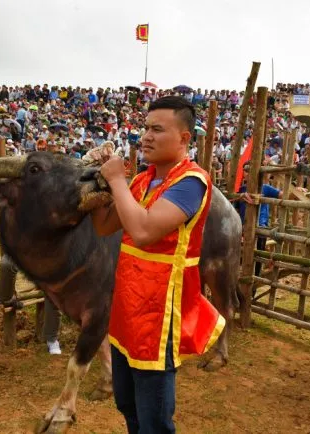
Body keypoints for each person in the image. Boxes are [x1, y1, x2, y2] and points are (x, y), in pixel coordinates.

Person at [91, 96, 225, 433]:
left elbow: (143, 230)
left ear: (184, 138)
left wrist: (117, 180)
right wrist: (102, 181)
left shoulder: (190, 183)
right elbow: (104, 226)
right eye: (145, 128)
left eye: (157, 129)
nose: (146, 136)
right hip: (127, 306)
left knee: (154, 419)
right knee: (127, 403)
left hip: (160, 311)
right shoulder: (140, 181)